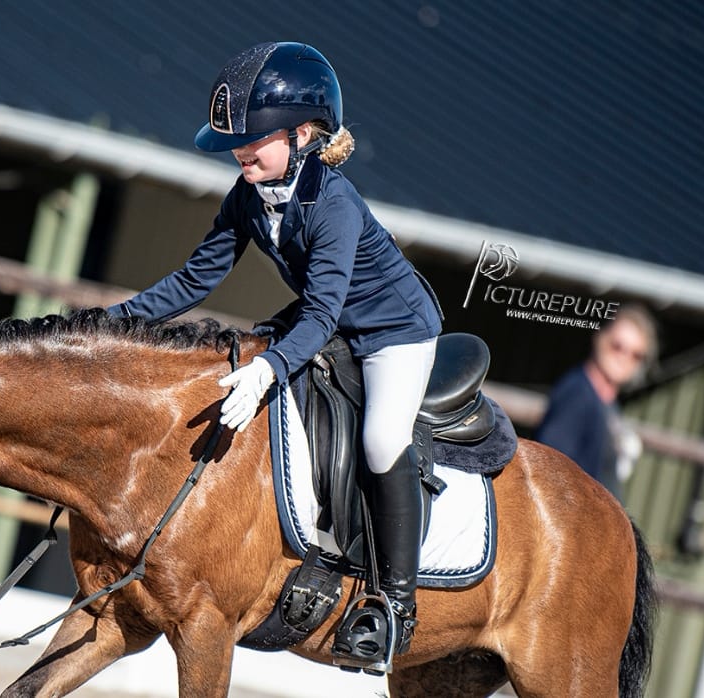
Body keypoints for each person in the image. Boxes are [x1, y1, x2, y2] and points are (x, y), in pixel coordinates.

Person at [108, 42, 443, 666]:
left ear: (303, 133)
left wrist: (266, 369)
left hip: (394, 331)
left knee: (378, 438)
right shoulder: (248, 194)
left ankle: (395, 605)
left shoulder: (334, 203)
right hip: (331, 321)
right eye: (237, 139)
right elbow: (192, 280)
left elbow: (320, 314)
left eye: (254, 139)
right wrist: (109, 322)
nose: (241, 150)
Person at [535, 304, 657, 502]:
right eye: (618, 346)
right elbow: (549, 470)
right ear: (600, 337)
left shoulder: (607, 403)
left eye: (636, 355)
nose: (624, 359)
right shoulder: (577, 394)